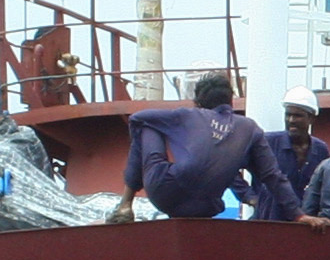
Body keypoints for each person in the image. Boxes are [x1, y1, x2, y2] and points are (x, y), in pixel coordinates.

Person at [118, 72, 301, 221]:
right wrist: (298, 215)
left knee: (147, 125)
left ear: (198, 103)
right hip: (204, 207)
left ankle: (126, 204)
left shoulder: (187, 115)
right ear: (230, 101)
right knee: (224, 159)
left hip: (164, 193)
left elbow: (136, 119)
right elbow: (272, 176)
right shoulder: (249, 128)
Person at [252, 90, 330, 219]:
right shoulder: (268, 143)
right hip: (268, 225)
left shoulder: (320, 150)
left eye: (297, 116)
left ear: (311, 118)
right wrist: (250, 197)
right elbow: (232, 164)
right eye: (288, 115)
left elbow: (326, 188)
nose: (291, 120)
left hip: (304, 228)